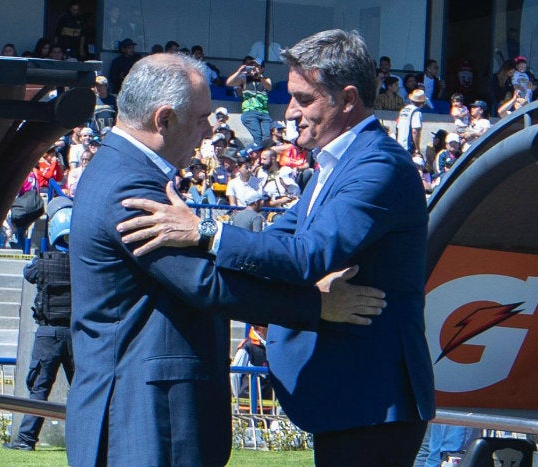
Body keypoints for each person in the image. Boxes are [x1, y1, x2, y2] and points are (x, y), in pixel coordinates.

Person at [117, 29, 435, 467]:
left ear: (346, 99)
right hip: (354, 400)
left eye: (305, 99)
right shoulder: (338, 162)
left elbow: (305, 256)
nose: (291, 112)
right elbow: (276, 243)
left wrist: (204, 228)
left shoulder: (378, 166)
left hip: (373, 403)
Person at [66, 52, 387, 467]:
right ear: (164, 120)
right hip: (144, 415)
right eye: (201, 119)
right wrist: (319, 306)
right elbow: (205, 284)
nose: (207, 131)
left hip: (140, 408)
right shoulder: (130, 188)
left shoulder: (118, 169)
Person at [3, 197, 75, 451]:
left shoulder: (43, 262)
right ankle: (86, 440)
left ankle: (26, 440)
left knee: (39, 389)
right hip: (77, 334)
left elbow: (28, 273)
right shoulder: (84, 263)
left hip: (48, 334)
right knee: (82, 390)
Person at [226, 57, 273, 145]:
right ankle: (253, 154)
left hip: (264, 113)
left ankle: (252, 153)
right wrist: (239, 72)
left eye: (257, 66)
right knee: (258, 137)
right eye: (252, 66)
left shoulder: (266, 79)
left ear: (262, 69)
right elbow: (229, 83)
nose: (254, 68)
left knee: (267, 138)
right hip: (250, 112)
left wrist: (260, 76)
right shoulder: (245, 79)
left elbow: (269, 87)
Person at [396, 89, 427, 156]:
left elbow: (398, 127)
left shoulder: (403, 110)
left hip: (399, 145)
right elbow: (415, 131)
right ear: (422, 103)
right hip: (408, 147)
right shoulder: (416, 112)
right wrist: (417, 149)